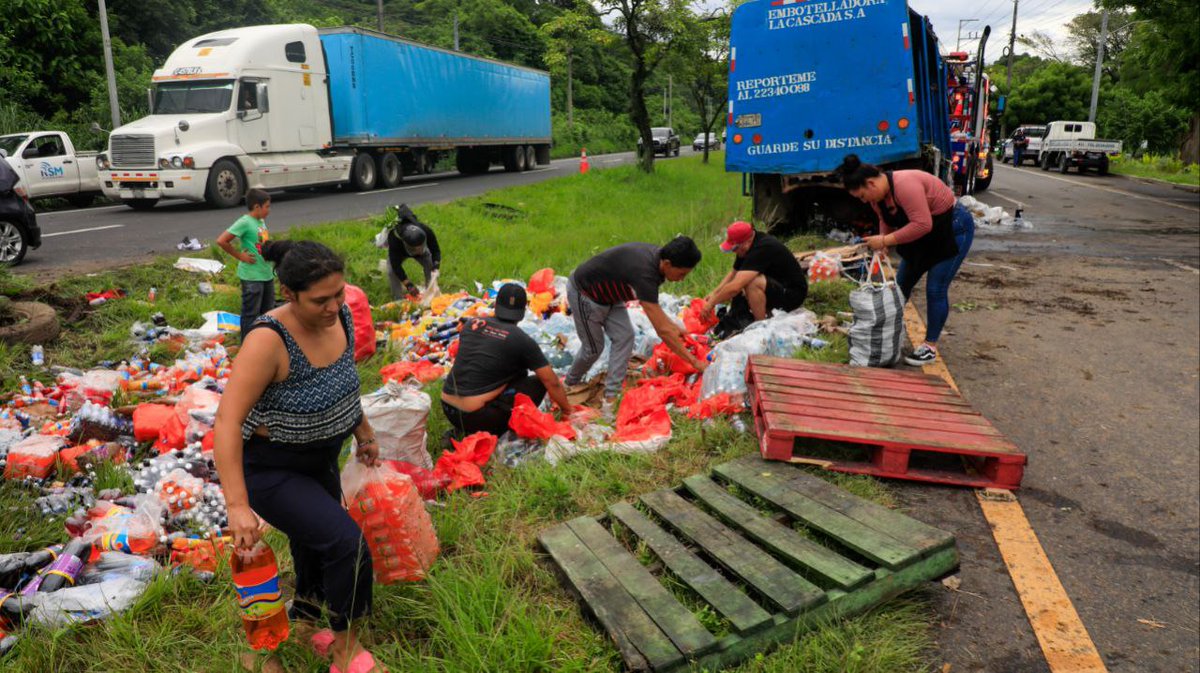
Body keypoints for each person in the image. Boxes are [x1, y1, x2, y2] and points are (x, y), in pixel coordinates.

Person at [213, 240, 383, 673]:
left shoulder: (341, 315)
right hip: (273, 467)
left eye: (339, 293)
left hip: (321, 455)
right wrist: (237, 505)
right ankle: (345, 649)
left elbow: (344, 380)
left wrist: (362, 430)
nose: (333, 306)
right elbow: (227, 422)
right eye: (320, 300)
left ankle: (306, 618)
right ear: (289, 293)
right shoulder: (268, 341)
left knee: (314, 540)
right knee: (346, 544)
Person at [838, 154, 975, 366]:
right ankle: (885, 330)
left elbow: (922, 224)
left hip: (952, 228)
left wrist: (885, 240)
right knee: (900, 286)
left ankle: (929, 347)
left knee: (935, 288)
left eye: (863, 196)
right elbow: (885, 219)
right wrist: (883, 245)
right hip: (924, 235)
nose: (864, 201)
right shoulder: (877, 197)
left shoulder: (905, 185)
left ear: (871, 183)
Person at [565, 237, 707, 403]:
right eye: (682, 274)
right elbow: (662, 331)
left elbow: (657, 312)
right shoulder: (645, 274)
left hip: (611, 297)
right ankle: (568, 384)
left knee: (625, 337)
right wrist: (694, 362)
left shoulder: (658, 260)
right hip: (585, 293)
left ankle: (611, 396)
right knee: (593, 348)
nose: (682, 279)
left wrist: (674, 327)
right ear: (668, 263)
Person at [441, 283, 573, 437]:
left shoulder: (472, 324)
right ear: (523, 311)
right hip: (476, 418)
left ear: (496, 305)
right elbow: (552, 382)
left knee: (515, 372)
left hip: (448, 409)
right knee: (538, 382)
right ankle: (499, 430)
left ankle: (463, 429)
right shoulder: (521, 339)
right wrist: (568, 411)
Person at [702, 221, 807, 336]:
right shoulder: (746, 246)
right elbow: (733, 274)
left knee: (752, 282)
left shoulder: (763, 247)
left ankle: (760, 327)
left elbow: (735, 287)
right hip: (776, 285)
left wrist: (711, 304)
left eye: (735, 248)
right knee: (741, 282)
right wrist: (713, 294)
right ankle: (765, 315)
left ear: (747, 241)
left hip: (792, 294)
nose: (734, 251)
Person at [217, 188, 275, 336]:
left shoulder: (260, 221)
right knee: (251, 315)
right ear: (257, 207)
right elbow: (222, 241)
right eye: (267, 206)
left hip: (266, 274)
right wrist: (240, 256)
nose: (269, 210)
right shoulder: (245, 222)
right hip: (252, 276)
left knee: (268, 314)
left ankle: (264, 343)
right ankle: (248, 345)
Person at [385, 204, 440, 300]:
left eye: (420, 247)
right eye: (415, 249)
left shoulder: (426, 230)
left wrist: (436, 263)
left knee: (430, 264)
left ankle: (430, 293)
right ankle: (398, 298)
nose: (418, 251)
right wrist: (408, 284)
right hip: (400, 252)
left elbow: (435, 249)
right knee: (391, 271)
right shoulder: (395, 239)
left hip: (422, 251)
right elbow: (395, 266)